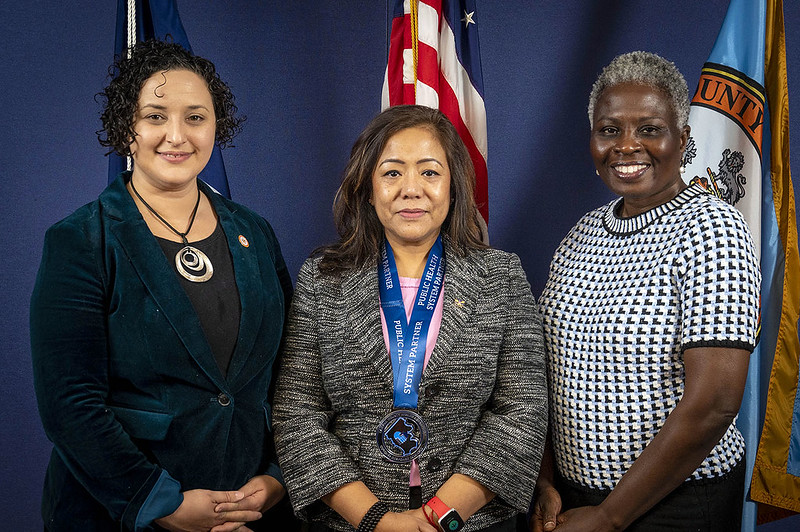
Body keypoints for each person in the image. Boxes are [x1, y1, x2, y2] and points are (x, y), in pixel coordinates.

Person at [30, 39, 297, 531]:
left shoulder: (254, 233)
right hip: (120, 514)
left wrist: (280, 475)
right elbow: (69, 405)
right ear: (126, 129)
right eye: (155, 116)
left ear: (218, 125)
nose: (177, 135)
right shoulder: (81, 240)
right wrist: (161, 504)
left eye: (195, 117)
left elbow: (292, 371)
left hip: (253, 508)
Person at [273, 105, 548, 532]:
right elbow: (297, 413)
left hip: (468, 523)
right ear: (367, 188)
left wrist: (437, 518)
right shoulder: (322, 279)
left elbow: (523, 412)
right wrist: (378, 522)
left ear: (454, 187)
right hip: (353, 523)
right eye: (392, 172)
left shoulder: (501, 277)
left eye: (430, 172)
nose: (411, 189)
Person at [532, 51, 761, 532]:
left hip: (673, 506)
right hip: (575, 498)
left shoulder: (713, 229)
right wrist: (546, 479)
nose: (626, 146)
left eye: (650, 129)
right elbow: (548, 372)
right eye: (609, 129)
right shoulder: (582, 233)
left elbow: (714, 403)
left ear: (683, 139)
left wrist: (611, 516)